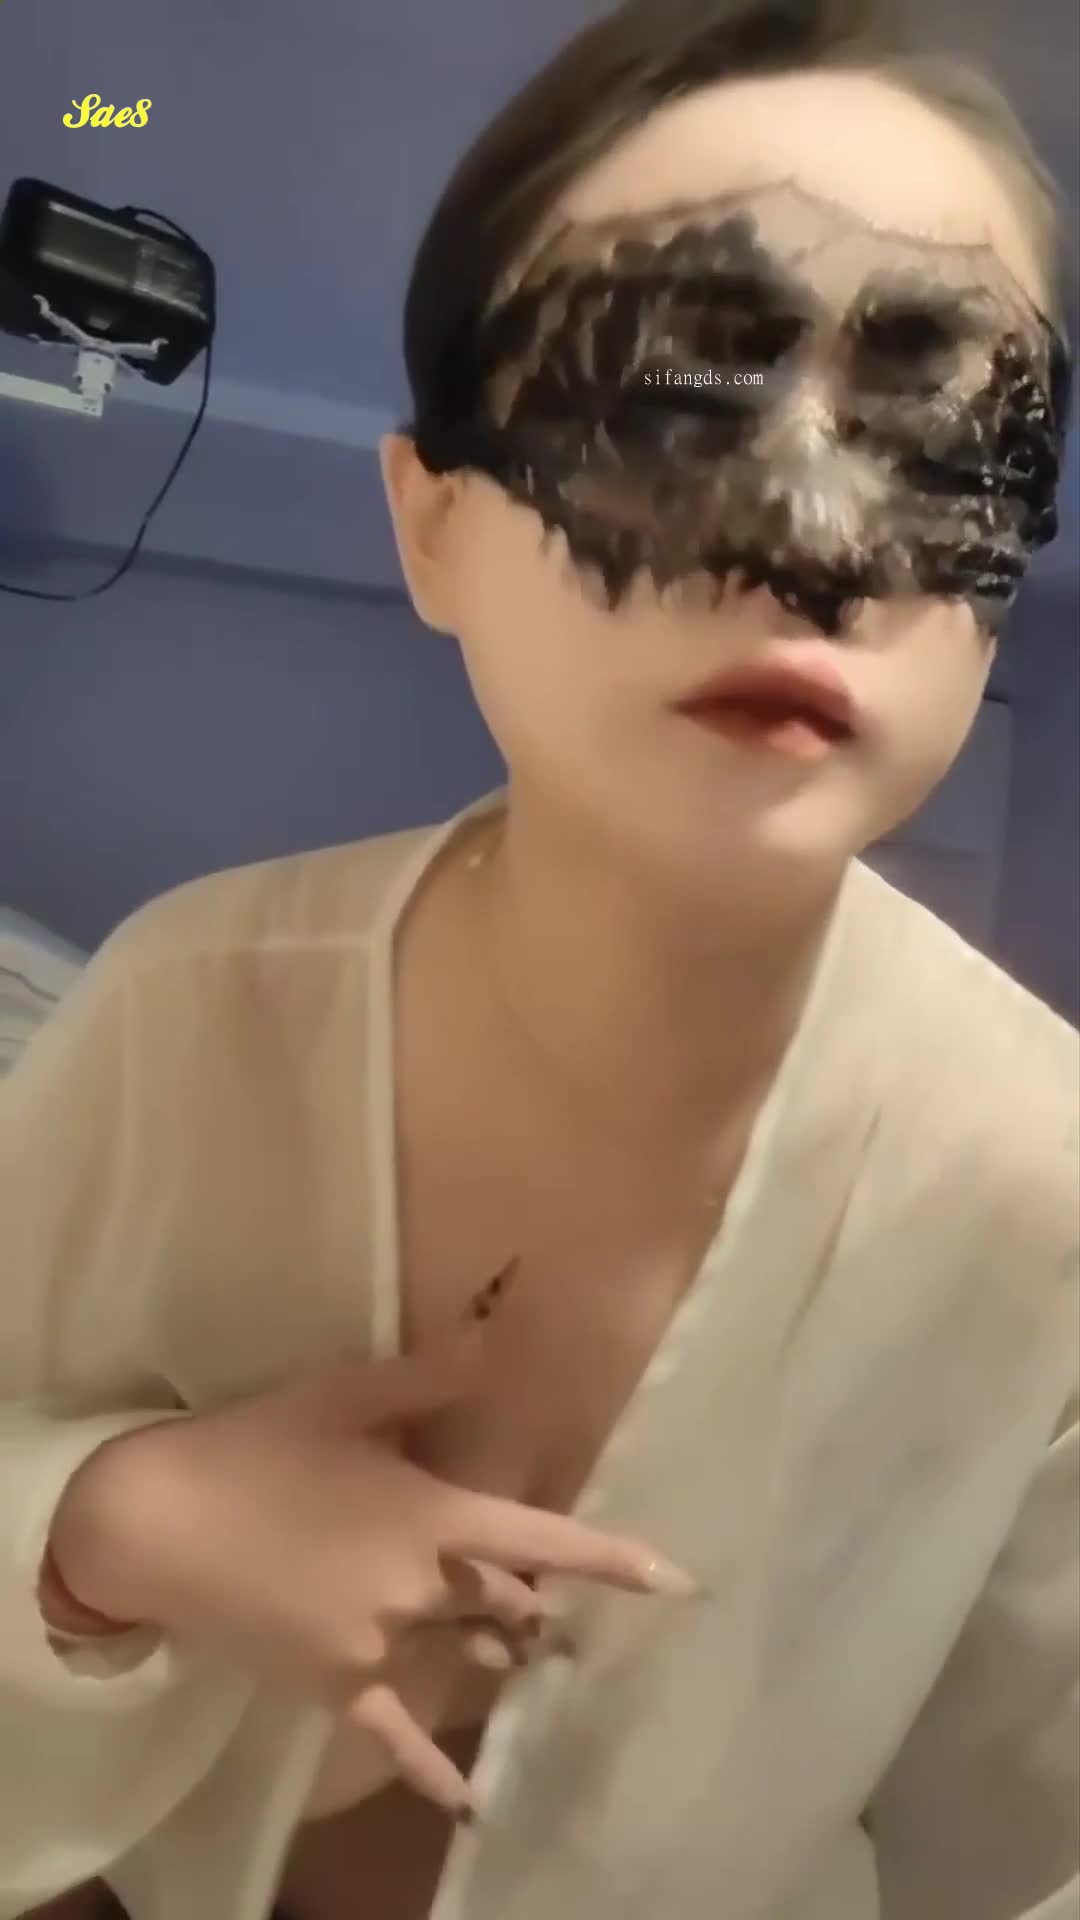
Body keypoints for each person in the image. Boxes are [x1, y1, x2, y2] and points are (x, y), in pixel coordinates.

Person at [3, 2, 1077, 1917]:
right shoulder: (185, 1013)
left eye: (939, 442)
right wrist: (121, 1522)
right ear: (430, 530)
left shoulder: (1050, 1192)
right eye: (667, 401)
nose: (813, 544)